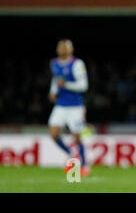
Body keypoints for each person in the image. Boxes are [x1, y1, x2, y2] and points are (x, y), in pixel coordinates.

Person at [48, 39, 90, 177]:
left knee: (77, 137)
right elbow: (56, 79)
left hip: (75, 106)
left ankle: (84, 165)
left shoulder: (77, 64)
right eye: (60, 46)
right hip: (61, 104)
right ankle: (72, 155)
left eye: (65, 47)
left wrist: (65, 84)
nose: (62, 49)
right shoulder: (54, 63)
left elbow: (83, 86)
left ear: (71, 50)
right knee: (53, 133)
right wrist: (53, 91)